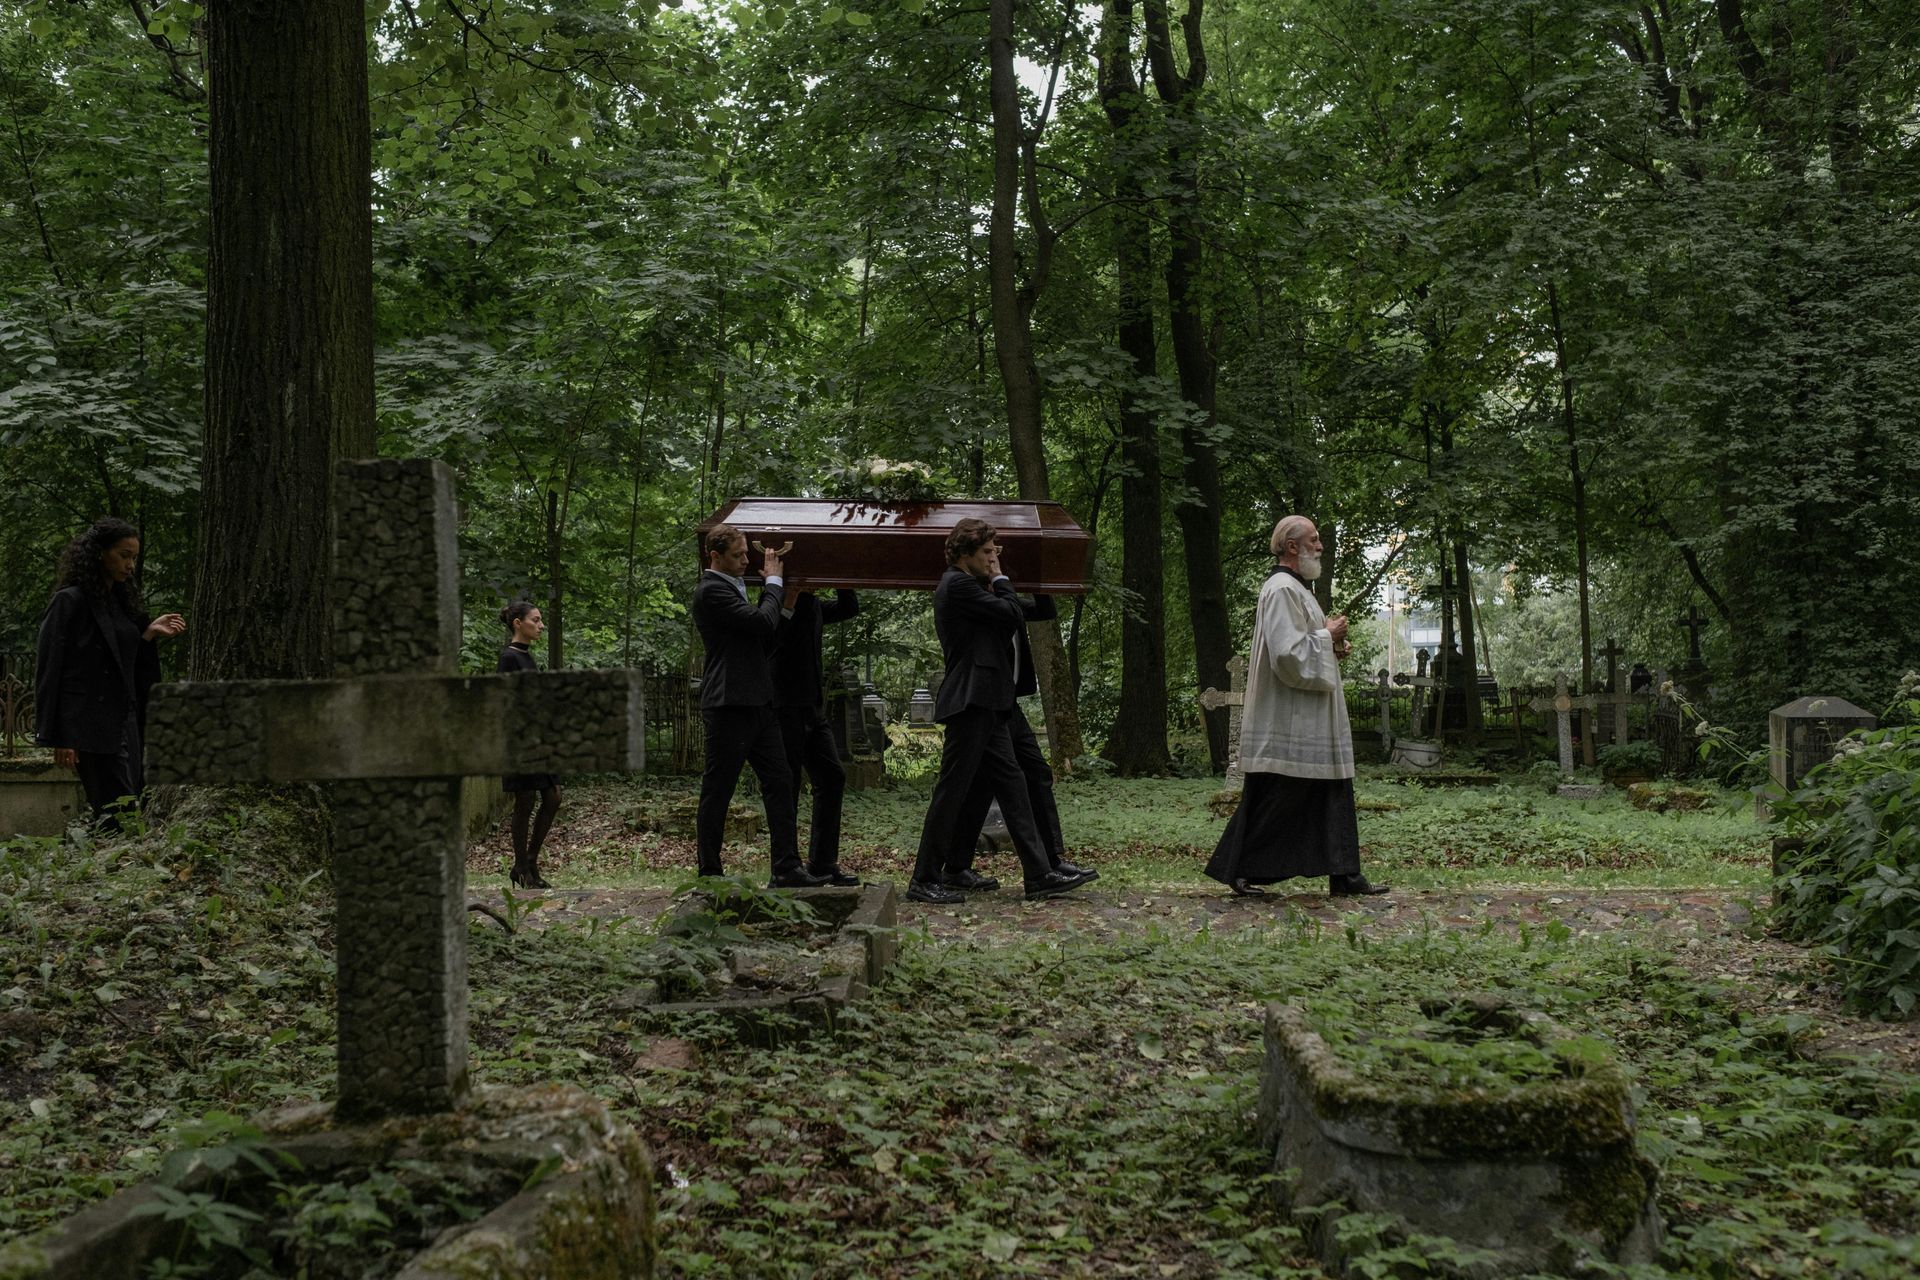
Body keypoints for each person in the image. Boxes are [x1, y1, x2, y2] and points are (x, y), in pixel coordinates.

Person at [908, 518, 1093, 905]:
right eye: (987, 552)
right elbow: (1010, 613)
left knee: (1014, 785)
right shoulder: (956, 584)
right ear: (965, 554)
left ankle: (1039, 875)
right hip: (971, 701)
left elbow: (1024, 611)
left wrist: (1016, 575)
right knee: (951, 792)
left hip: (991, 701)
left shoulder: (974, 586)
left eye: (995, 552)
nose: (993, 558)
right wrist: (1002, 576)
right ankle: (924, 878)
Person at [1204, 515, 1387, 898]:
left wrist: (1331, 644)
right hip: (1291, 717)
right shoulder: (1282, 589)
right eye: (1314, 539)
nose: (1320, 546)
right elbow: (1287, 655)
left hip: (1309, 715)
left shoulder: (1296, 589)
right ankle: (1241, 868)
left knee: (1329, 790)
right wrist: (1326, 635)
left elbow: (1301, 644)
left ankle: (1344, 874)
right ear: (1292, 547)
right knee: (1280, 795)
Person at [691, 524, 824, 888]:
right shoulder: (711, 590)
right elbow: (761, 621)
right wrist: (775, 584)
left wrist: (787, 605)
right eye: (738, 555)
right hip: (729, 704)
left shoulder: (733, 587)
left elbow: (764, 642)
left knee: (781, 782)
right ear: (714, 556)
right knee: (719, 788)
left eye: (746, 553)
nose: (746, 561)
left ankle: (786, 867)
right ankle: (710, 873)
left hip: (759, 702)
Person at [939, 591, 1098, 891]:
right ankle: (959, 867)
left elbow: (1045, 610)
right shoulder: (979, 600)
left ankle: (1050, 860)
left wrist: (1037, 579)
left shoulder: (1007, 599)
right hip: (985, 701)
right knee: (984, 785)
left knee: (1034, 772)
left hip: (1008, 702)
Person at [34, 517, 187, 830]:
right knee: (116, 810)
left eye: (134, 557)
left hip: (124, 720)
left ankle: (113, 853)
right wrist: (59, 736)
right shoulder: (69, 601)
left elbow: (121, 660)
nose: (130, 565)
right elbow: (50, 669)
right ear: (99, 553)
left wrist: (148, 634)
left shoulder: (121, 603)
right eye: (124, 555)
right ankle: (109, 855)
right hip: (87, 725)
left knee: (133, 800)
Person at [771, 585, 862, 886]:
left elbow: (849, 608)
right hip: (785, 707)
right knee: (788, 785)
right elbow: (769, 641)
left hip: (812, 708)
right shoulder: (775, 601)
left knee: (832, 777)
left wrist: (840, 576)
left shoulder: (813, 604)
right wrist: (788, 599)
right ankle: (784, 868)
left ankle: (822, 863)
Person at [497, 600, 561, 889]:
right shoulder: (509, 658)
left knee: (553, 797)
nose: (541, 625)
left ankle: (529, 861)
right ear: (518, 623)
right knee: (525, 802)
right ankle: (523, 868)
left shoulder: (526, 656)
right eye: (535, 620)